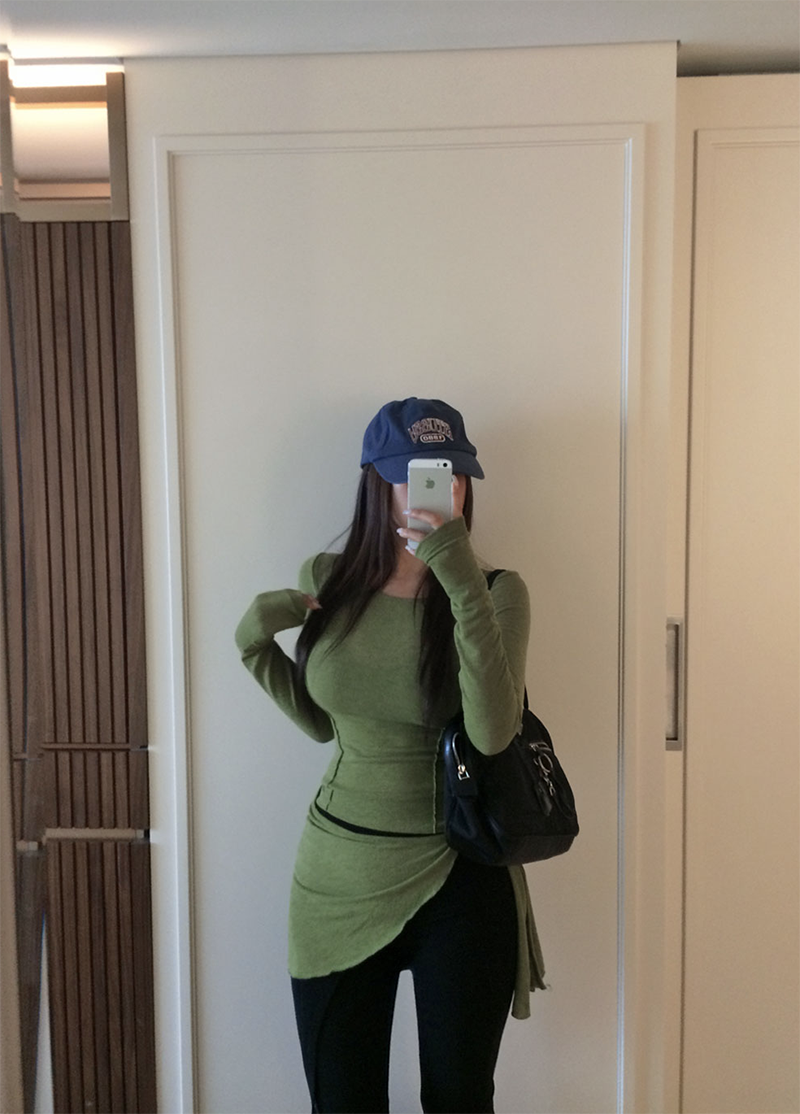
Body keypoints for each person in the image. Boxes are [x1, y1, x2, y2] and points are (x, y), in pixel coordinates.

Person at [235, 398, 545, 1114]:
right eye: (418, 473)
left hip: (462, 878)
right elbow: (322, 725)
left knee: (460, 1101)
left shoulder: (498, 592)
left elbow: (493, 733)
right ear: (377, 482)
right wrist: (254, 646)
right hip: (338, 879)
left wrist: (457, 575)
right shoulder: (328, 578)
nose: (441, 489)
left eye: (454, 474)